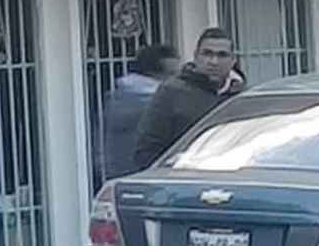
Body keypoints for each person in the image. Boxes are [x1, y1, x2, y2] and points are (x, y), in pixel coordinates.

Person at [132, 27, 245, 170]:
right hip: (184, 178)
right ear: (196, 56)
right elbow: (149, 146)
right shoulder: (172, 91)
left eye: (222, 55)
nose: (214, 61)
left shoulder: (240, 95)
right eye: (207, 54)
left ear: (233, 60)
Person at [97, 43, 179, 181]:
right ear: (160, 73)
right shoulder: (156, 99)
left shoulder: (119, 93)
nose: (177, 77)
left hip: (114, 169)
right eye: (173, 73)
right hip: (145, 171)